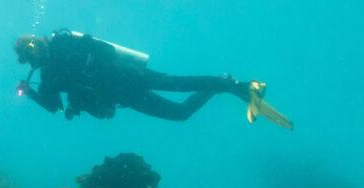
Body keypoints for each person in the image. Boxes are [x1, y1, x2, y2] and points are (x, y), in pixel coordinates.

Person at [15, 30, 292, 128]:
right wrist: (30, 93)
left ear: (36, 43)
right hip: (124, 97)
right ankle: (225, 83)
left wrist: (89, 54)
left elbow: (107, 50)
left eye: (30, 51)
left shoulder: (64, 42)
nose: (32, 59)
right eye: (27, 59)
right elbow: (55, 107)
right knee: (180, 113)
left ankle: (241, 87)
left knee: (179, 83)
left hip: (130, 77)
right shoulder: (47, 76)